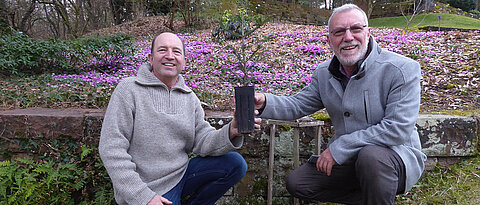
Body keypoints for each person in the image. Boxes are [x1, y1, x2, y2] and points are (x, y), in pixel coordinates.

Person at [254, 4, 426, 204]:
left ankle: (378, 195)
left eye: (356, 29)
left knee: (370, 157)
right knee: (299, 183)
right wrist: (264, 102)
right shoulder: (324, 73)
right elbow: (297, 105)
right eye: (339, 32)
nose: (348, 37)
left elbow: (397, 130)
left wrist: (340, 148)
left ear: (368, 33)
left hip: (395, 157)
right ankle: (374, 197)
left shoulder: (402, 69)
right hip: (350, 161)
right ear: (329, 40)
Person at [99, 32, 261, 205]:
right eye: (162, 50)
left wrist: (231, 131)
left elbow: (202, 140)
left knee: (235, 164)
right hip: (148, 186)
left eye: (176, 51)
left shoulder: (189, 97)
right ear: (151, 58)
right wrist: (143, 196)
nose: (170, 56)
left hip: (181, 175)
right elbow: (111, 149)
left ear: (184, 61)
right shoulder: (128, 90)